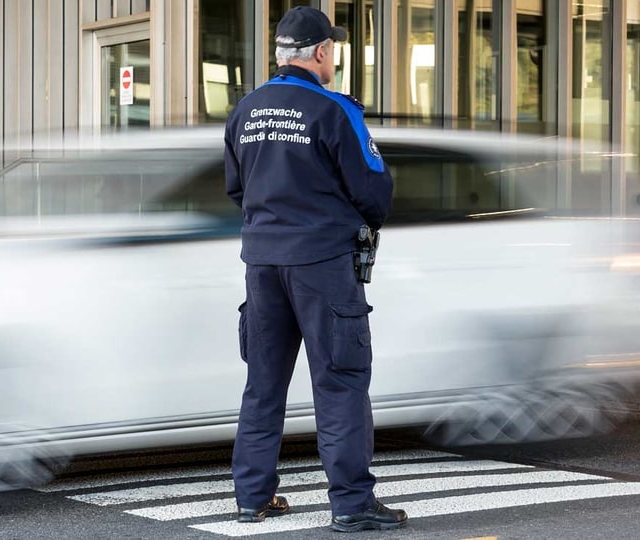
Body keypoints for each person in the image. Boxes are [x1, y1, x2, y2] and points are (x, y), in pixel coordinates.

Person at [223, 6, 405, 533]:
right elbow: (374, 190)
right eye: (334, 50)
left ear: (281, 54)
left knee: (263, 382)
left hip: (261, 264)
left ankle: (252, 497)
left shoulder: (246, 110)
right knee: (340, 381)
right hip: (322, 263)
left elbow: (237, 189)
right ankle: (351, 503)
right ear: (322, 52)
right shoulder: (333, 109)